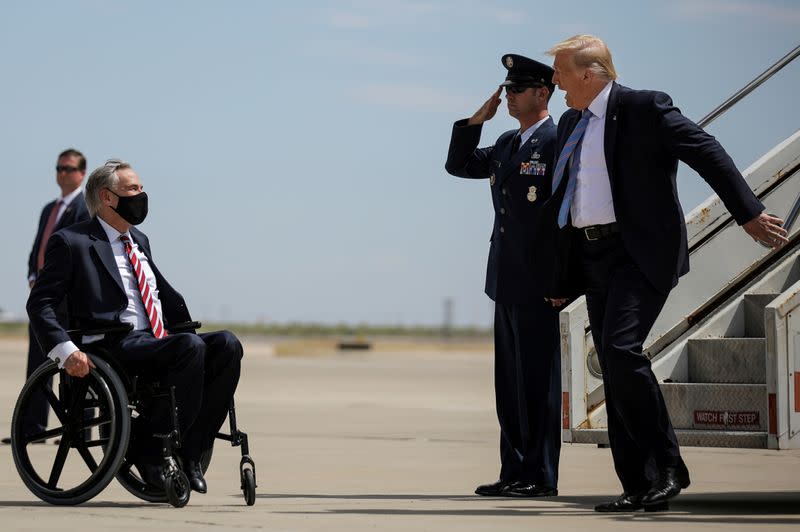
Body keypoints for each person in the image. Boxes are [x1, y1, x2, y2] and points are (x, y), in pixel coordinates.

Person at [540, 35, 787, 512]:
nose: (555, 83)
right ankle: (637, 483)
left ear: (589, 74)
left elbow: (706, 151)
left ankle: (669, 466)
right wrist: (557, 278)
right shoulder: (573, 121)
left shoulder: (643, 108)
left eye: (560, 74)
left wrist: (748, 214)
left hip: (639, 252)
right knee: (612, 366)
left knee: (620, 348)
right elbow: (565, 200)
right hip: (593, 258)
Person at [27, 159, 244, 494]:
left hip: (155, 339)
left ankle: (191, 451)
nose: (141, 196)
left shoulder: (138, 239)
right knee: (190, 347)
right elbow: (39, 303)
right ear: (107, 197)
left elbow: (155, 291)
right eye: (132, 189)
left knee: (227, 345)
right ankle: (151, 449)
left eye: (141, 189)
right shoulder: (73, 242)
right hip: (113, 344)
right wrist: (65, 351)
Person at [445, 54, 561, 497]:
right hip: (505, 280)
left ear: (541, 93)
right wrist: (477, 120)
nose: (508, 96)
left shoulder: (556, 141)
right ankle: (513, 470)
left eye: (517, 90)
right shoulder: (509, 144)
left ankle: (540, 475)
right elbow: (459, 164)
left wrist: (563, 280)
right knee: (509, 385)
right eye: (507, 89)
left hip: (540, 283)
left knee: (538, 385)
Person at [3, 149, 90, 446]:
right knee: (38, 366)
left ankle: (76, 430)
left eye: (68, 168)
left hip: (67, 302)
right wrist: (32, 278)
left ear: (81, 173)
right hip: (43, 302)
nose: (62, 173)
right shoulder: (48, 209)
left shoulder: (84, 208)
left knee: (72, 367)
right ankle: (33, 429)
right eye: (59, 168)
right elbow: (37, 248)